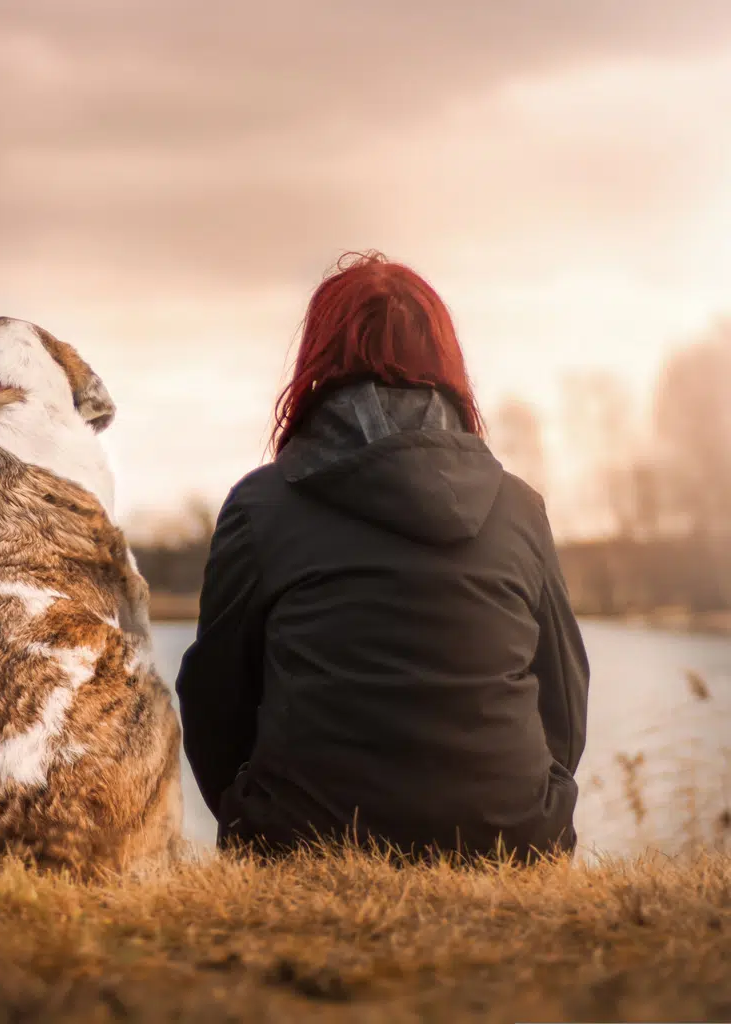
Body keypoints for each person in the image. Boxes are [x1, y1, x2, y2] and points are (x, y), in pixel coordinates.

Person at [174, 252, 590, 862]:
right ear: (446, 363)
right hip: (511, 841)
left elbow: (214, 700)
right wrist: (529, 806)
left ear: (318, 362)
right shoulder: (519, 508)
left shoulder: (261, 507)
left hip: (302, 842)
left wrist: (253, 812)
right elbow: (565, 699)